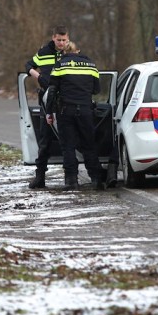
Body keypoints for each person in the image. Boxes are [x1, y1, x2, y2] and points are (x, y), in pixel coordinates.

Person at [45, 41, 105, 191]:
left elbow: (52, 90)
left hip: (66, 111)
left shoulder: (60, 65)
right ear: (78, 51)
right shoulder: (91, 65)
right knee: (89, 145)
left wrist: (49, 112)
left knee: (68, 147)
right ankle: (96, 179)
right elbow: (97, 90)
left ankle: (72, 181)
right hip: (85, 110)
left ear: (64, 52)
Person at [24, 25, 70, 189]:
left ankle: (69, 178)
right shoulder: (44, 52)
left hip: (66, 102)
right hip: (47, 101)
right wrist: (39, 76)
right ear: (53, 38)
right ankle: (40, 177)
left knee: (67, 142)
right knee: (45, 141)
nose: (61, 43)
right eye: (59, 40)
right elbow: (28, 65)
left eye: (64, 40)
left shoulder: (70, 52)